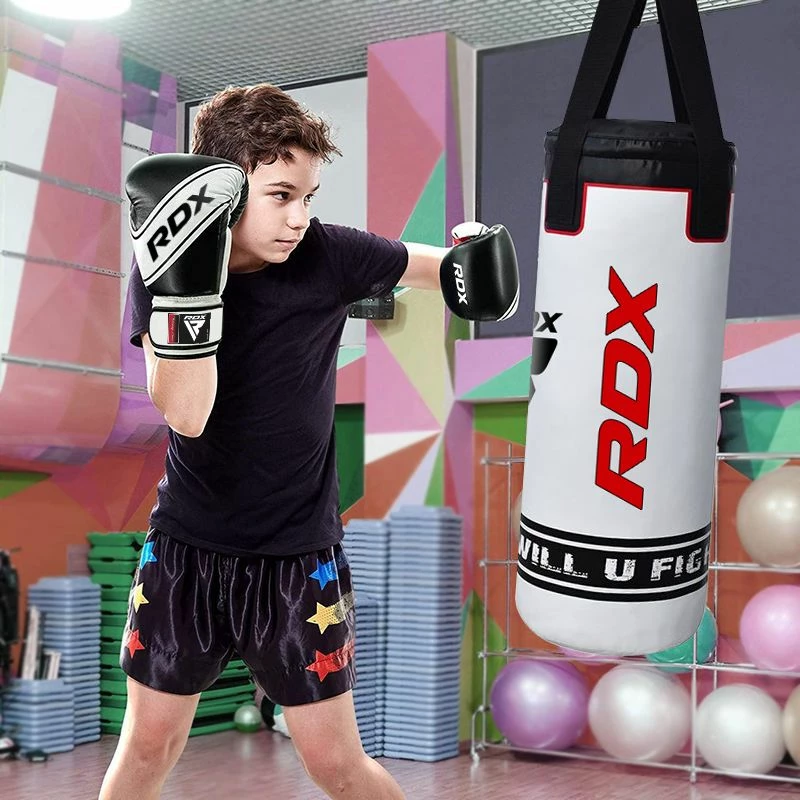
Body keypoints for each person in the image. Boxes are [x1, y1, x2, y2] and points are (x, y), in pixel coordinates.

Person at [99, 82, 518, 800]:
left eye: (308, 197)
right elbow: (187, 414)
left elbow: (438, 271)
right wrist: (189, 287)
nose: (298, 218)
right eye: (281, 196)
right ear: (221, 190)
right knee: (146, 747)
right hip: (187, 551)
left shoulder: (328, 254)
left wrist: (470, 258)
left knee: (336, 766)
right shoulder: (162, 267)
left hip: (298, 559)